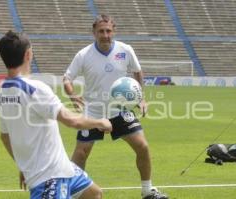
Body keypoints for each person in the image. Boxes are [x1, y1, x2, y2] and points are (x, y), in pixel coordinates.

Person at [0, 30, 112, 199]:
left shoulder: (1, 93)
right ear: (28, 54)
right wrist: (101, 123)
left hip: (64, 168)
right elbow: (72, 121)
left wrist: (23, 166)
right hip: (49, 177)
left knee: (94, 194)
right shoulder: (35, 89)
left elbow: (5, 137)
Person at [63, 15, 168, 199]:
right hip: (93, 112)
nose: (105, 35)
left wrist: (141, 98)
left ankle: (147, 191)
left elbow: (137, 72)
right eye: (101, 31)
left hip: (120, 110)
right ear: (94, 32)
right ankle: (69, 194)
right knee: (81, 153)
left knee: (142, 146)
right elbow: (67, 79)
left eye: (108, 31)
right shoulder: (83, 54)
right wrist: (72, 95)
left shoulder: (125, 50)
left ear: (114, 31)